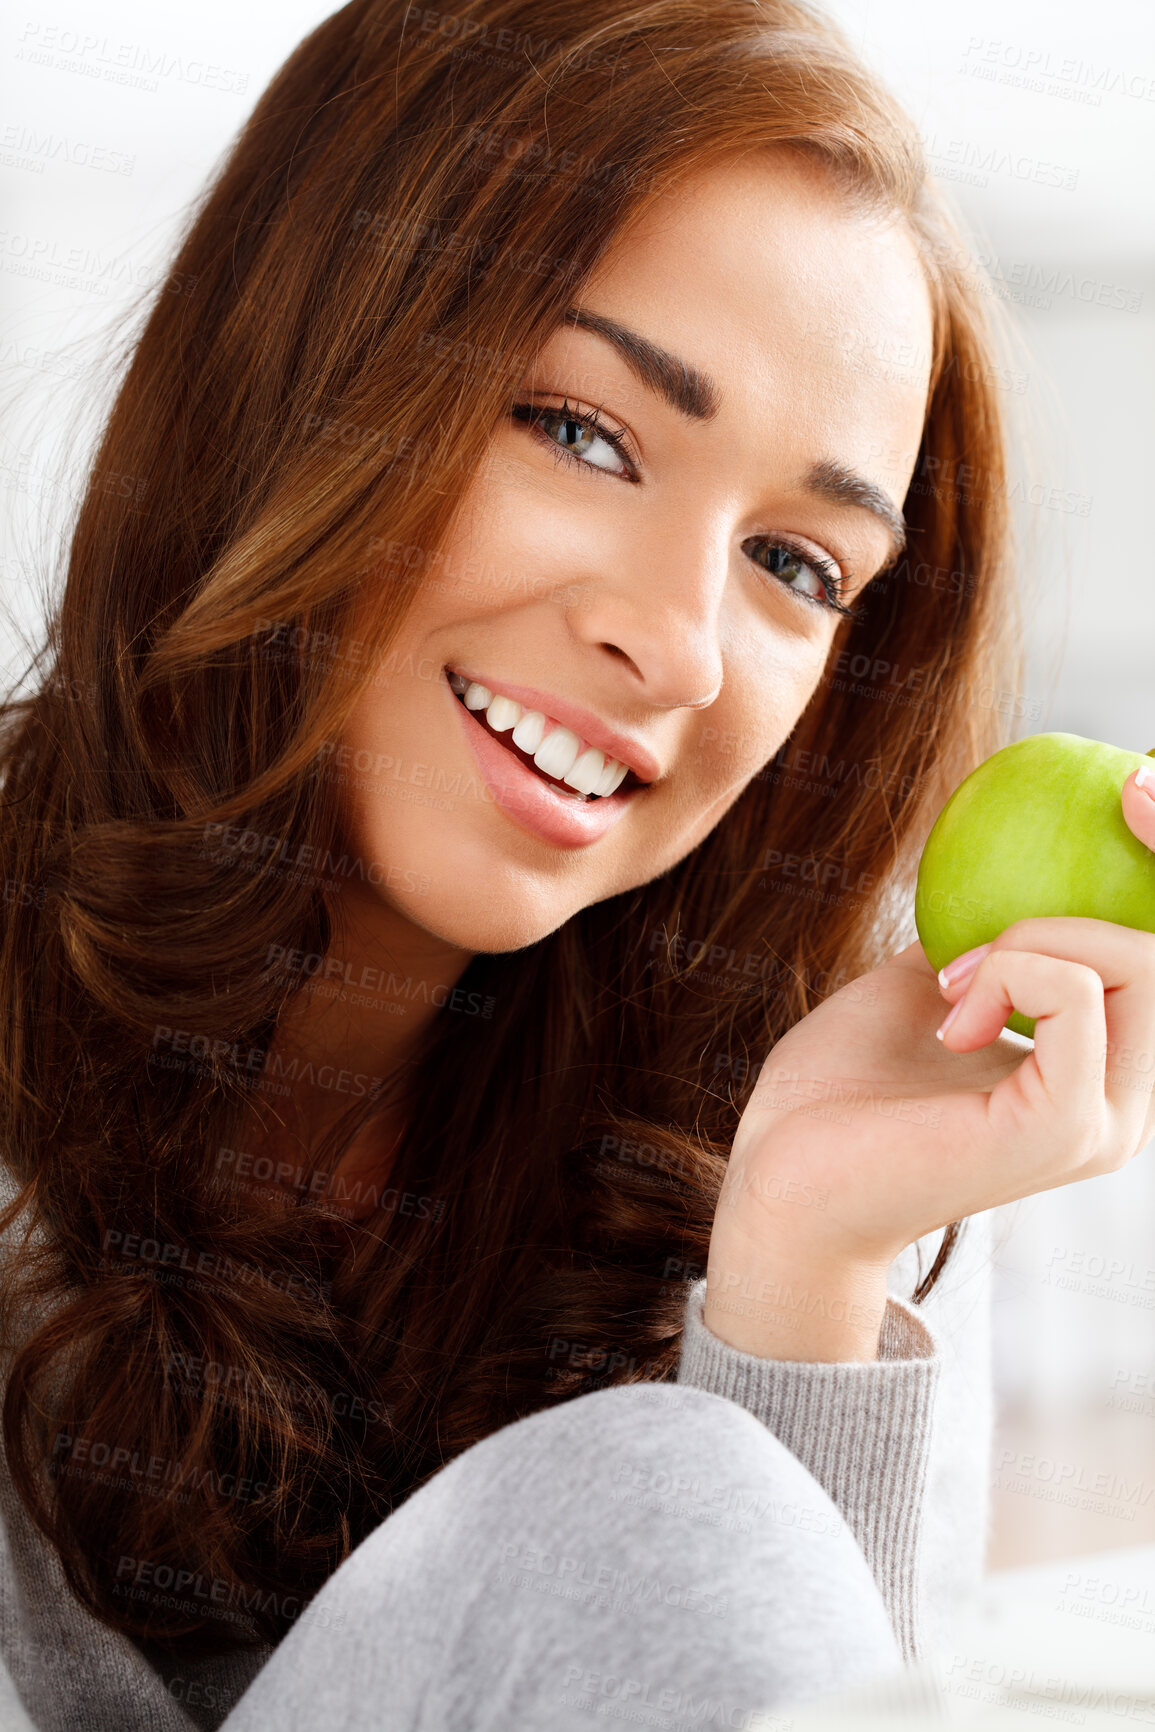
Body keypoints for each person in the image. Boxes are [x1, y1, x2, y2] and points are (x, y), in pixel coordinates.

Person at [1, 0, 1153, 1727]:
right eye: (583, 433)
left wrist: (802, 1275)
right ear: (297, 368)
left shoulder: (803, 1099)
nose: (683, 648)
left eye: (796, 563)